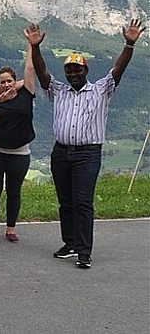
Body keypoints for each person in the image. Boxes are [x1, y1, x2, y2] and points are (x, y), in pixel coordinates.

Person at [27, 19, 145, 269]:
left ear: (86, 71)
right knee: (65, 201)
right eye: (69, 70)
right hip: (60, 152)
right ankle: (69, 243)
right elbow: (42, 73)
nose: (72, 73)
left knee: (82, 202)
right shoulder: (59, 91)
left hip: (87, 154)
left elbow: (117, 70)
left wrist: (129, 45)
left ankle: (84, 251)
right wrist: (35, 48)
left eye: (77, 70)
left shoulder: (101, 90)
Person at [0, 50, 36, 243]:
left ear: (16, 81)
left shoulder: (27, 93)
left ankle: (11, 229)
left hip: (20, 153)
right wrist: (0, 94)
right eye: (2, 82)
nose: (6, 84)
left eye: (9, 81)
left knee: (14, 190)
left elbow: (30, 68)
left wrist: (31, 45)